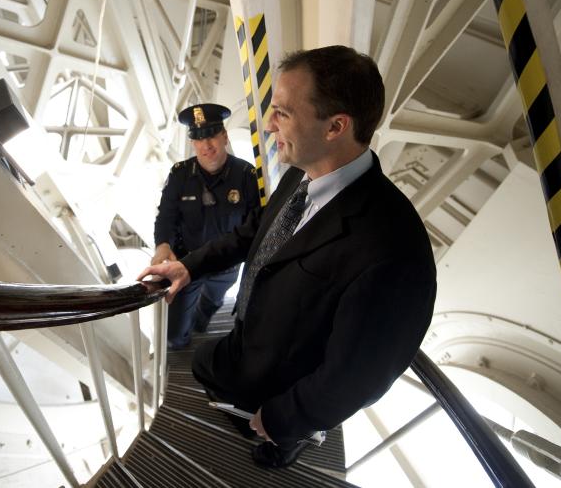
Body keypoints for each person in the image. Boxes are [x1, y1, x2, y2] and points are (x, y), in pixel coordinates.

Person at [139, 46, 437, 469]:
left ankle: (287, 444)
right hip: (246, 346)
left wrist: (285, 417)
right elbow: (254, 234)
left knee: (271, 439)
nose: (269, 123)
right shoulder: (301, 170)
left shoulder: (393, 249)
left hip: (283, 388)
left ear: (336, 126)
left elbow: (359, 376)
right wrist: (190, 265)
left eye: (283, 113)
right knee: (202, 365)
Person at [152, 103, 261, 350]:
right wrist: (162, 245)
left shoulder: (246, 176)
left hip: (226, 268)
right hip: (187, 266)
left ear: (224, 136)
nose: (206, 144)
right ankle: (181, 345)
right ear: (192, 142)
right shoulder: (180, 175)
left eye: (211, 134)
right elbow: (166, 216)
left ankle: (200, 326)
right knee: (175, 331)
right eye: (199, 137)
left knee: (211, 305)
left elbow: (255, 226)